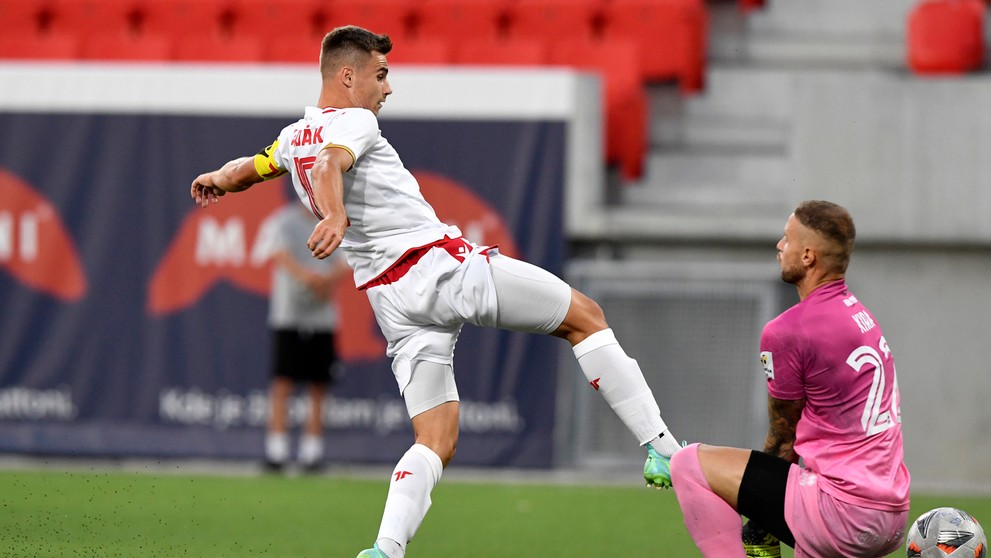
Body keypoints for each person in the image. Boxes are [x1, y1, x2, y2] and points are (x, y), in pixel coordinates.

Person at [190, 25, 682, 558]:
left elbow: (249, 169)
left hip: (391, 302)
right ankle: (661, 447)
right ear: (347, 76)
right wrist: (335, 212)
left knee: (435, 439)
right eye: (380, 75)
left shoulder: (291, 139)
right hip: (439, 271)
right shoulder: (355, 122)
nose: (388, 88)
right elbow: (333, 162)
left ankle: (385, 549)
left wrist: (217, 177)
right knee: (584, 316)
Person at [669, 200, 911, 558]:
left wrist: (759, 515)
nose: (780, 246)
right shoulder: (861, 316)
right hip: (891, 514)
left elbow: (784, 437)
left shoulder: (787, 331)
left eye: (787, 238)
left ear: (808, 256)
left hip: (841, 513)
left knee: (687, 464)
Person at [264, 202, 349, 473]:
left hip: (322, 318)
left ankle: (312, 453)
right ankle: (276, 453)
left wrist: (324, 280)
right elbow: (281, 255)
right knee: (283, 383)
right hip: (289, 316)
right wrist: (308, 278)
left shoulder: (336, 222)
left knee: (318, 385)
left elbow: (345, 263)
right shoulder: (284, 222)